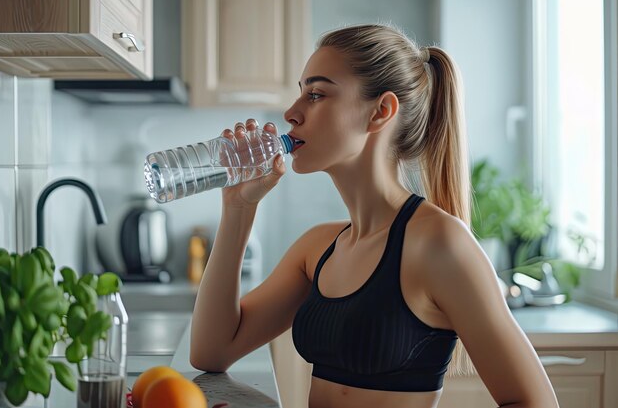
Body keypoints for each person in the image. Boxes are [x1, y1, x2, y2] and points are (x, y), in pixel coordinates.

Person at [190, 24, 559, 408]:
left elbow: (535, 402)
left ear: (380, 112)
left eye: (316, 94)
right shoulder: (316, 249)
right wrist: (238, 208)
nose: (291, 113)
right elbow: (212, 352)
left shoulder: (439, 243)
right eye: (300, 92)